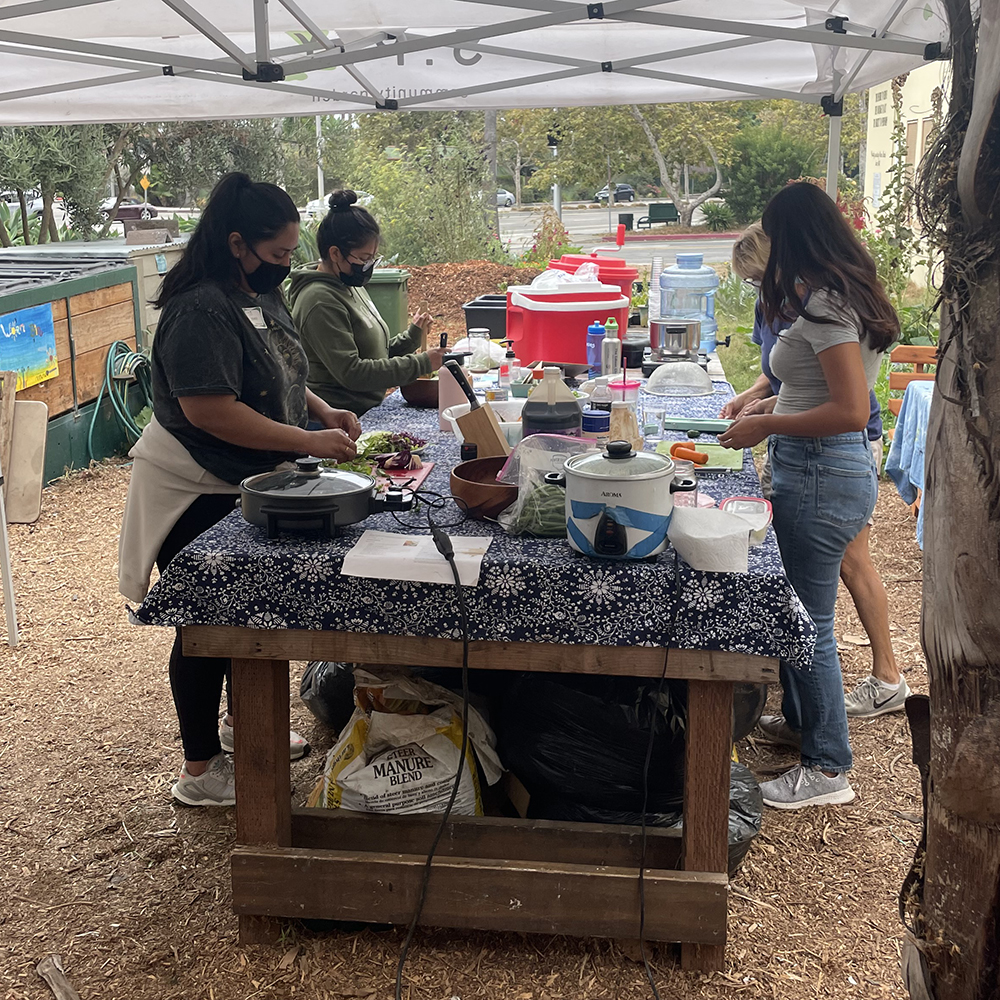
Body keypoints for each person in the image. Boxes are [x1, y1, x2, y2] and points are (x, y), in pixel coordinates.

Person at [118, 172, 362, 807]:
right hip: (192, 482)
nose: (284, 266)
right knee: (204, 621)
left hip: (244, 477)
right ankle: (200, 769)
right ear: (236, 243)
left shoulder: (253, 292)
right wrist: (307, 442)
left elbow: (280, 366)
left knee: (246, 608)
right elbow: (211, 411)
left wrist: (321, 410)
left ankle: (244, 724)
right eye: (278, 255)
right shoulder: (199, 309)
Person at [718, 182, 899, 809]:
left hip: (823, 469)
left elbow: (850, 410)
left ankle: (828, 766)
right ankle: (802, 724)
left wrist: (766, 423)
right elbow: (819, 388)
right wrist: (767, 402)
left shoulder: (825, 305)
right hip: (818, 466)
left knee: (809, 624)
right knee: (798, 611)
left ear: (795, 234)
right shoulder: (843, 294)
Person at [288, 189, 447, 417]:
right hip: (336, 420)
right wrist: (421, 363)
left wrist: (412, 336)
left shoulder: (349, 285)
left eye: (372, 258)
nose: (368, 265)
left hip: (367, 411)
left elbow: (374, 354)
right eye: (363, 258)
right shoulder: (319, 301)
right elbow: (352, 372)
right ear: (335, 253)